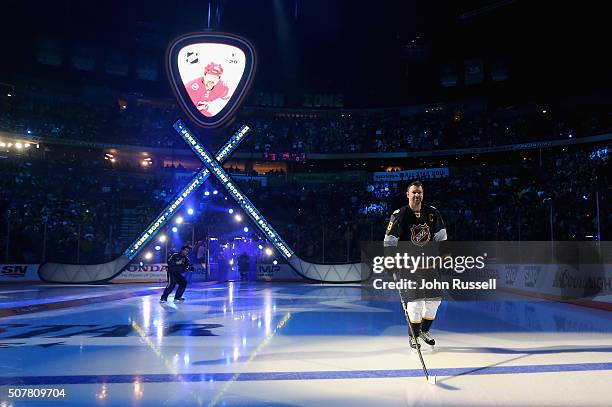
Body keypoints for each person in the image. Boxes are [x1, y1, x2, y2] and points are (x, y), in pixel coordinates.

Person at [384, 180, 447, 349]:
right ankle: (413, 335)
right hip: (409, 267)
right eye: (414, 192)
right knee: (416, 302)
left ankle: (423, 331)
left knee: (434, 301)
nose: (417, 195)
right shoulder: (400, 214)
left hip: (430, 266)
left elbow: (441, 238)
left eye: (420, 192)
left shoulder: (432, 213)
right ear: (408, 194)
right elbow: (389, 242)